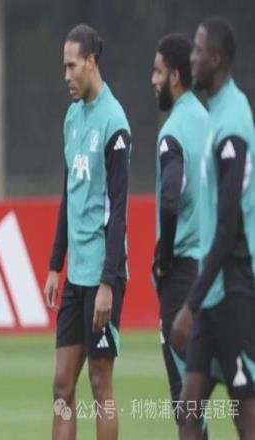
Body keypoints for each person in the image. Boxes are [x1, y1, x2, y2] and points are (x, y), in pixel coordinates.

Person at [44, 24, 131, 440]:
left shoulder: (114, 122)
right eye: (64, 67)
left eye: (72, 66)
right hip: (75, 276)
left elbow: (118, 210)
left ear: (91, 63)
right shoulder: (71, 118)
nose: (66, 75)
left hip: (101, 277)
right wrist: (54, 264)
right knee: (62, 385)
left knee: (100, 384)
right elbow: (69, 194)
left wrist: (108, 283)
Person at [170, 17, 255, 439]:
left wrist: (189, 305)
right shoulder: (216, 114)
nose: (192, 58)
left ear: (216, 59)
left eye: (199, 51)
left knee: (245, 417)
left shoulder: (232, 124)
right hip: (212, 291)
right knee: (189, 407)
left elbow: (228, 226)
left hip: (235, 287)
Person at [150, 34, 210, 437]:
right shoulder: (211, 121)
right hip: (218, 269)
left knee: (185, 400)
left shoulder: (172, 131)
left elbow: (170, 199)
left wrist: (163, 259)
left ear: (174, 75)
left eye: (157, 71)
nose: (152, 80)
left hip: (184, 275)